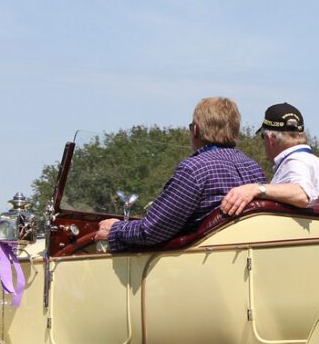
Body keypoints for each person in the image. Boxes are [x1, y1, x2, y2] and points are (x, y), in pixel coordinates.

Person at [95, 97, 266, 250]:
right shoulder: (253, 168)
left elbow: (152, 230)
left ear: (196, 130)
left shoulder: (194, 169)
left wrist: (115, 229)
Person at [220, 102, 319, 215]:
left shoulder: (294, 161)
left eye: (263, 137)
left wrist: (256, 189)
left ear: (270, 138)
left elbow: (302, 195)